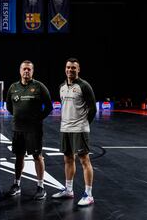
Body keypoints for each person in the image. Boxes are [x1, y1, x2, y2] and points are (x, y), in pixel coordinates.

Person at [51, 57, 97, 206]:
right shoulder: (61, 87)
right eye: (68, 67)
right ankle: (69, 190)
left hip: (79, 129)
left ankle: (89, 195)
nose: (70, 70)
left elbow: (93, 109)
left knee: (84, 160)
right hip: (65, 128)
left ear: (78, 69)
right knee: (68, 159)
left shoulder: (84, 86)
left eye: (73, 68)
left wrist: (83, 124)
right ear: (65, 69)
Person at [6, 60, 53, 200]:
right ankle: (16, 184)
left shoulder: (39, 87)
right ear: (20, 71)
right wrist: (19, 116)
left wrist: (38, 119)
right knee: (19, 157)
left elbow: (49, 106)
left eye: (29, 69)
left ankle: (40, 187)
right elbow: (9, 107)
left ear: (32, 71)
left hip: (34, 130)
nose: (26, 71)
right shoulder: (13, 87)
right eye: (24, 69)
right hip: (18, 129)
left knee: (37, 157)